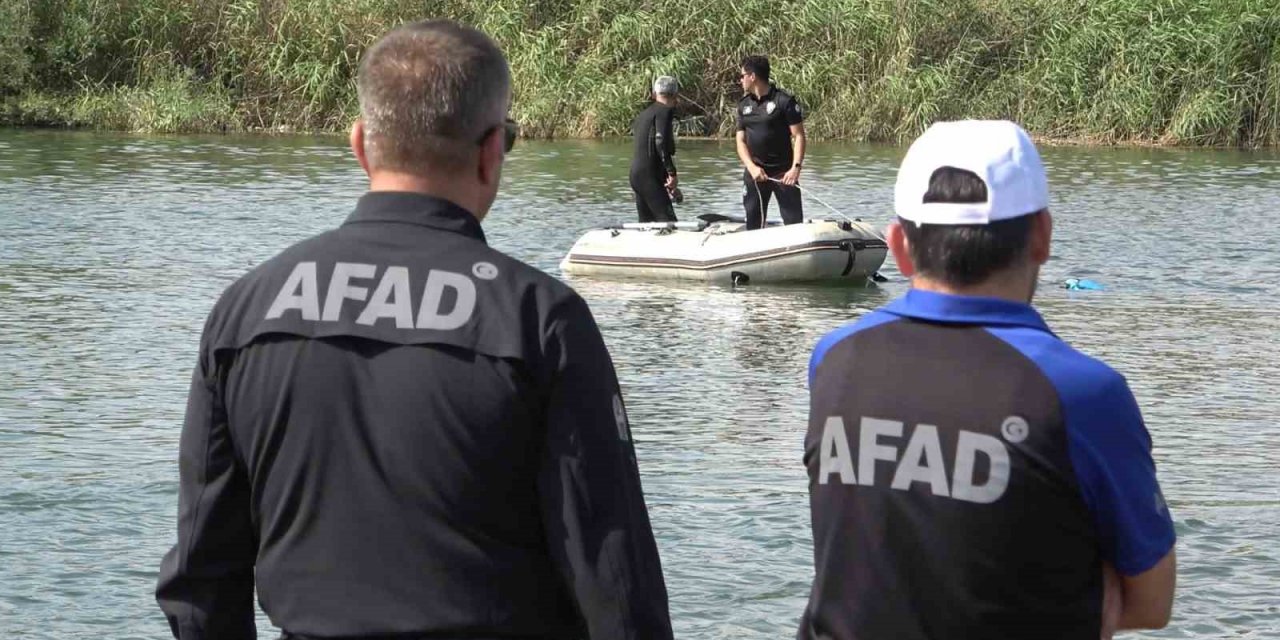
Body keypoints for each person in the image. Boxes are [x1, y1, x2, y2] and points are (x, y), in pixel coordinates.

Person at [155, 19, 673, 640]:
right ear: (490, 152)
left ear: (360, 144)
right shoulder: (538, 319)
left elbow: (201, 579)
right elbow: (614, 580)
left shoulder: (246, 311)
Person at [799, 120, 1176, 640]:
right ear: (1041, 235)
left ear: (899, 247)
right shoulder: (1081, 393)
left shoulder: (833, 359)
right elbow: (1152, 601)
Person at [735, 55, 805, 230]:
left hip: (784, 173)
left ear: (752, 76)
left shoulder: (784, 101)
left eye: (743, 75)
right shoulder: (744, 105)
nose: (740, 80)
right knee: (753, 223)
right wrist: (751, 167)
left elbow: (799, 136)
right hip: (755, 173)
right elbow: (740, 140)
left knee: (794, 223)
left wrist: (795, 168)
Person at [630, 75, 680, 223]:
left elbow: (648, 149)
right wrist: (672, 172)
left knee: (646, 225)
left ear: (654, 94)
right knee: (669, 223)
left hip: (637, 175)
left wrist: (665, 179)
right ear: (676, 95)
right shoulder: (664, 112)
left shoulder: (643, 115)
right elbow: (660, 142)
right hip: (649, 177)